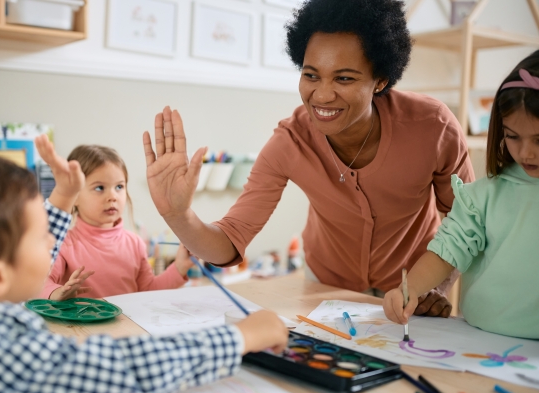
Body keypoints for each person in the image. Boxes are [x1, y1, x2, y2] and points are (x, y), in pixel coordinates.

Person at [0, 135, 289, 393]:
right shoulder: (3, 357)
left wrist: (59, 200)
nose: (53, 238)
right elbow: (128, 369)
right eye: (42, 236)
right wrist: (237, 337)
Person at [142, 0, 474, 317]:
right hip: (326, 289)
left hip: (411, 290)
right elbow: (229, 243)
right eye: (311, 75)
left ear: (380, 80)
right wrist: (178, 214)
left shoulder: (432, 127)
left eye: (344, 78)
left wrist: (436, 287)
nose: (323, 94)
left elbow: (466, 222)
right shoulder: (291, 141)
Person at [382, 51, 539, 339]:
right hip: (477, 340)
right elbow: (446, 252)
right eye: (513, 136)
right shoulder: (483, 196)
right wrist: (409, 290)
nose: (526, 152)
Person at [40, 144, 194, 300]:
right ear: (75, 195)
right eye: (100, 188)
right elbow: (41, 283)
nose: (112, 196)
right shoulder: (63, 243)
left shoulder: (135, 243)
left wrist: (179, 267)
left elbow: (148, 291)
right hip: (82, 325)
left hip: (129, 324)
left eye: (119, 186)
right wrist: (57, 292)